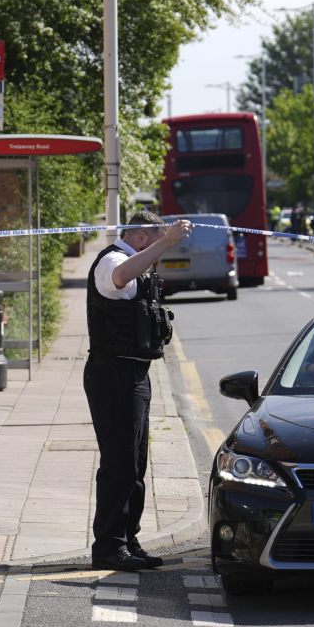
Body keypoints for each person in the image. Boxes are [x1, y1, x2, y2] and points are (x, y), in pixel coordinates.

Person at [85, 211, 192, 571]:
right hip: (112, 373)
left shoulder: (135, 259)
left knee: (136, 463)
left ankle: (128, 539)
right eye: (156, 241)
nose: (160, 251)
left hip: (133, 372)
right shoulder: (112, 260)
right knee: (120, 462)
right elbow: (119, 278)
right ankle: (109, 546)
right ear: (143, 236)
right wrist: (167, 241)